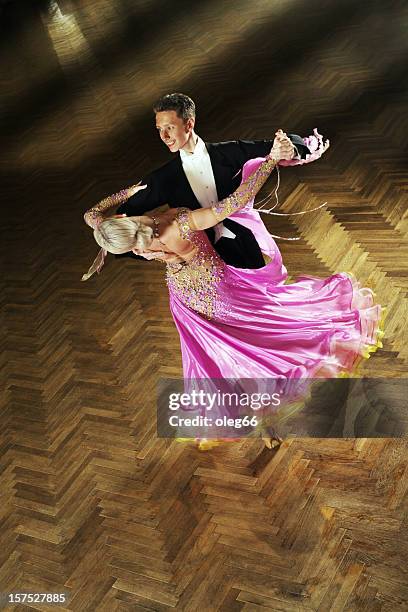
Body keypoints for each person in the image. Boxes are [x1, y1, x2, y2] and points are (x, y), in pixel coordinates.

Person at [82, 131, 385, 450]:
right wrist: (268, 162)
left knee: (233, 361)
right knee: (245, 353)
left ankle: (265, 421)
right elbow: (235, 201)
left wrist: (126, 193)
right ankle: (267, 415)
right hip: (207, 301)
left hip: (196, 299)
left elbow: (90, 214)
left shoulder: (150, 233)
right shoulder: (178, 222)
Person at [114, 92, 311, 269]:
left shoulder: (228, 152)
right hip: (205, 259)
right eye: (159, 129)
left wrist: (289, 148)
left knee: (263, 297)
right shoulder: (163, 179)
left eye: (169, 128)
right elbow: (120, 221)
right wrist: (145, 250)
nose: (164, 136)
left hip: (244, 239)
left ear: (189, 124)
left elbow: (293, 142)